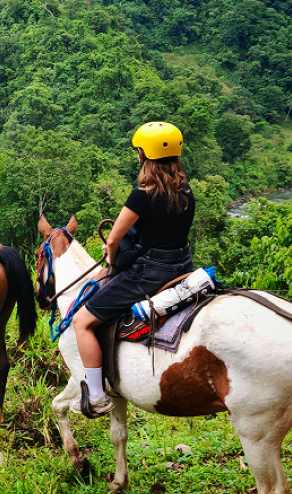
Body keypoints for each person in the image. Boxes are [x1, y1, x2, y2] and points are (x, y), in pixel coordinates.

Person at [70, 122, 195, 416]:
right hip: (183, 266)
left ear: (143, 154)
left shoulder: (143, 193)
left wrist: (111, 259)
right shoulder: (186, 189)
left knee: (82, 322)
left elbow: (114, 237)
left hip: (149, 274)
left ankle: (97, 396)